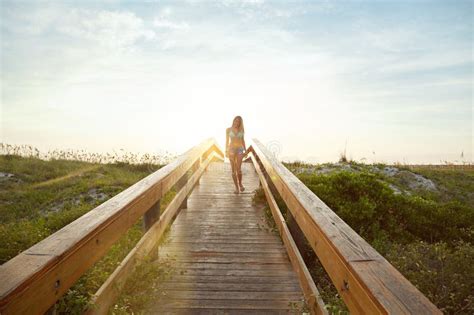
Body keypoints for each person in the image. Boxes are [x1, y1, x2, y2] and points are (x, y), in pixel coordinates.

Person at [225, 116, 247, 193]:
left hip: (240, 149)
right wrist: (226, 151)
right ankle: (236, 187)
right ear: (233, 120)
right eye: (235, 121)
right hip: (231, 149)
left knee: (238, 169)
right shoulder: (228, 129)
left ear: (240, 123)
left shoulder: (242, 130)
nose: (236, 123)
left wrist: (245, 150)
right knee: (233, 170)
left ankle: (240, 184)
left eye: (238, 122)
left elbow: (243, 140)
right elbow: (227, 141)